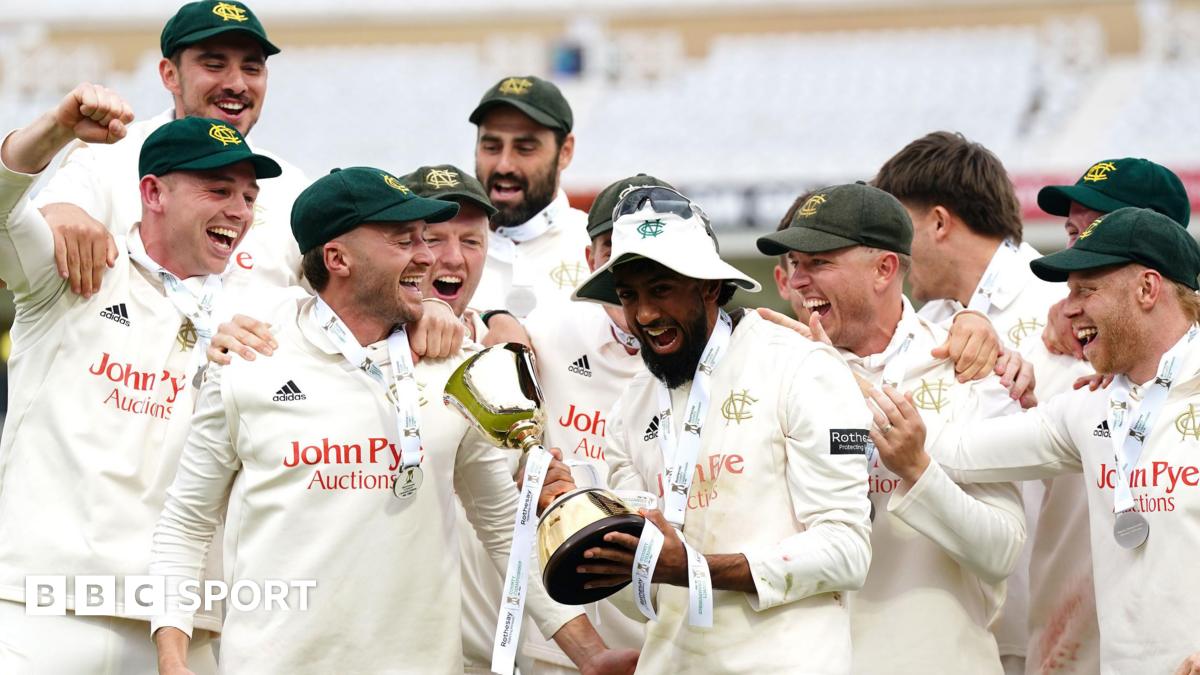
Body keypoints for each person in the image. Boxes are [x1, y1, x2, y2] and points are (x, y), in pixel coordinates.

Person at [149, 166, 635, 674]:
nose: (426, 256)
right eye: (403, 240)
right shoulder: (249, 362)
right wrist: (173, 660)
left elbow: (501, 525)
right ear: (338, 259)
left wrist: (591, 655)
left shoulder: (457, 371)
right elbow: (185, 524)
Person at [0, 86, 280, 672]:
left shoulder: (258, 322)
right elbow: (2, 210)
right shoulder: (76, 267)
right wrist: (56, 126)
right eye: (218, 189)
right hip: (42, 609)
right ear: (151, 192)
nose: (239, 211)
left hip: (185, 630)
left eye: (249, 197)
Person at [539, 190, 874, 673]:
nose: (645, 316)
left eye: (661, 289)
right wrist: (589, 523)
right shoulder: (631, 406)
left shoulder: (801, 367)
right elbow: (645, 598)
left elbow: (847, 552)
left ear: (710, 287)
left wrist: (693, 566)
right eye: (629, 296)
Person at [866, 206, 1200, 674]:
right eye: (1068, 291)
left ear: (1147, 289)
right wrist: (834, 369)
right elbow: (956, 450)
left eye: (1086, 289)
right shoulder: (1090, 407)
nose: (1067, 309)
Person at [756, 182, 1026, 673]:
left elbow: (1001, 551)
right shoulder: (768, 372)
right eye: (795, 264)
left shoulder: (966, 364)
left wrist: (919, 471)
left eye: (819, 262)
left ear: (884, 269)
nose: (798, 281)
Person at [874, 131, 1094, 675]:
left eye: (900, 229)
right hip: (966, 629)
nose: (894, 256)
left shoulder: (1065, 309)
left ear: (940, 222)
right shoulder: (930, 326)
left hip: (1065, 628)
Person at [33, 0, 309, 316]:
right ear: (170, 75)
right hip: (118, 365)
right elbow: (12, 262)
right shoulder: (106, 160)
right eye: (214, 65)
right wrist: (56, 212)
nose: (236, 84)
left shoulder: (292, 187)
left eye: (252, 68)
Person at [516, 174, 669, 674]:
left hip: (673, 633)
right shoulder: (544, 334)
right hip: (561, 639)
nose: (631, 271)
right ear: (589, 262)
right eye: (612, 249)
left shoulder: (718, 359)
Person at [1036, 157, 1190, 361]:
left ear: (1157, 231)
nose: (1079, 246)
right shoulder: (1062, 318)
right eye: (1073, 232)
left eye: (1097, 229)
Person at [468, 75, 590, 319]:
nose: (504, 165)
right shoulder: (440, 256)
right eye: (491, 147)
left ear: (565, 151)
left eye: (525, 148)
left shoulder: (597, 247)